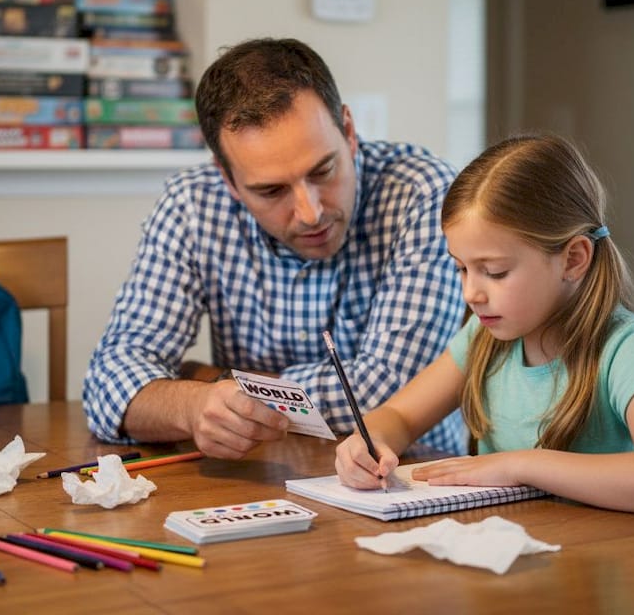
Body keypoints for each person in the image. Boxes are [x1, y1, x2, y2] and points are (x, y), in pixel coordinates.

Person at [83, 37, 467, 459]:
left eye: (323, 170)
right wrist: (191, 405)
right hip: (251, 484)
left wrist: (212, 379)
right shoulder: (192, 204)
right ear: (228, 180)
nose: (310, 212)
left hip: (411, 483)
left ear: (350, 132)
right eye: (271, 190)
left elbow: (388, 392)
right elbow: (108, 384)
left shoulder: (425, 195)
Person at [335, 135, 634, 517]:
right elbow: (400, 416)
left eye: (494, 272)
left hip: (607, 562)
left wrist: (519, 465)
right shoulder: (484, 340)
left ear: (573, 259)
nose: (471, 293)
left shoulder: (629, 348)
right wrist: (369, 442)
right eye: (461, 268)